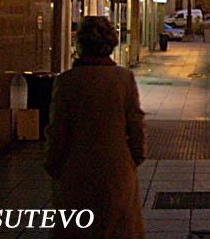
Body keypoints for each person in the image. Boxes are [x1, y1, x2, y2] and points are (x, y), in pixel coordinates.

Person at [44, 16, 145, 238]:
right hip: (116, 171)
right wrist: (134, 158)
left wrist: (53, 164)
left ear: (80, 44)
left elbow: (58, 131)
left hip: (76, 172)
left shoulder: (67, 82)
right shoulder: (124, 79)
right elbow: (135, 126)